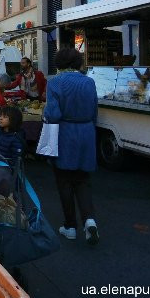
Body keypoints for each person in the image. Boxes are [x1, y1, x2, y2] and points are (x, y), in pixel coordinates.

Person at [43, 48, 99, 245]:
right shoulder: (89, 82)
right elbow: (94, 111)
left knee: (64, 180)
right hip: (86, 132)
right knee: (83, 179)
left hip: (65, 133)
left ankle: (70, 226)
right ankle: (89, 220)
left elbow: (53, 114)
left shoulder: (55, 82)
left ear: (59, 63)